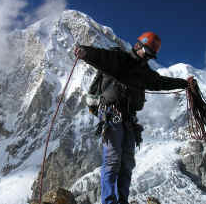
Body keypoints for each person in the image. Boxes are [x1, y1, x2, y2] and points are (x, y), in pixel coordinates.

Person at [74, 32, 189, 204]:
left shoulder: (145, 74)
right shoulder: (119, 59)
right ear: (138, 46)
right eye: (148, 52)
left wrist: (185, 84)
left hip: (128, 120)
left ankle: (122, 201)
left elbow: (162, 82)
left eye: (151, 55)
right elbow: (102, 57)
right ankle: (109, 202)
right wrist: (85, 53)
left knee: (126, 164)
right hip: (111, 114)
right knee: (113, 161)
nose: (149, 57)